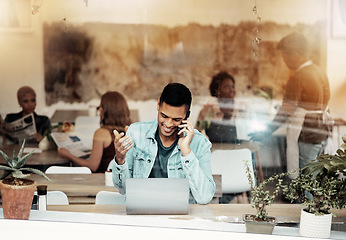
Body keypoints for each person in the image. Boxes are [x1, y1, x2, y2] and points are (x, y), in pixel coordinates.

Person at [112, 83, 216, 204]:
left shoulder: (200, 143)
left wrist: (186, 151)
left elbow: (204, 198)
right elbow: (122, 189)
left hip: (181, 220)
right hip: (141, 215)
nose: (168, 124)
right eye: (164, 116)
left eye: (176, 119)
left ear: (187, 114)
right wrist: (120, 159)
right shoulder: (136, 133)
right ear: (158, 105)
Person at [250, 32, 331, 175]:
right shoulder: (320, 71)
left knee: (304, 180)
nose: (284, 61)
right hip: (322, 133)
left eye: (285, 56)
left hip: (306, 135)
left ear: (295, 55)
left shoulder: (298, 77)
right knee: (313, 179)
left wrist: (265, 132)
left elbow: (285, 111)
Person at [58, 91, 131, 173]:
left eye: (101, 107)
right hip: (123, 180)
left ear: (106, 111)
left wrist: (68, 155)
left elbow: (92, 166)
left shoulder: (101, 133)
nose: (99, 109)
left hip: (103, 180)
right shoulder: (131, 130)